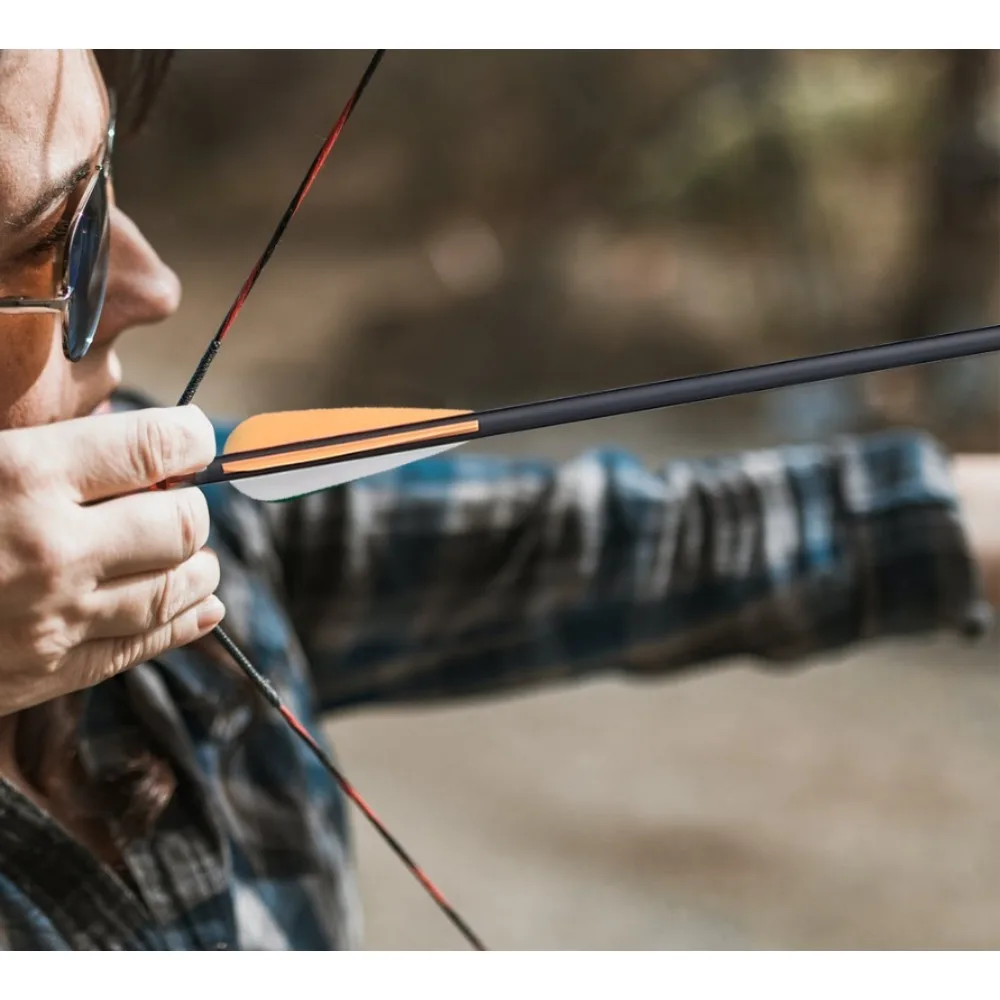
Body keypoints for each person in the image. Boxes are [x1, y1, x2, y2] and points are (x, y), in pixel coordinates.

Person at [0, 49, 996, 951]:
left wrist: (953, 515)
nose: (155, 283)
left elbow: (601, 543)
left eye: (109, 178)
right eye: (63, 240)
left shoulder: (173, 520)